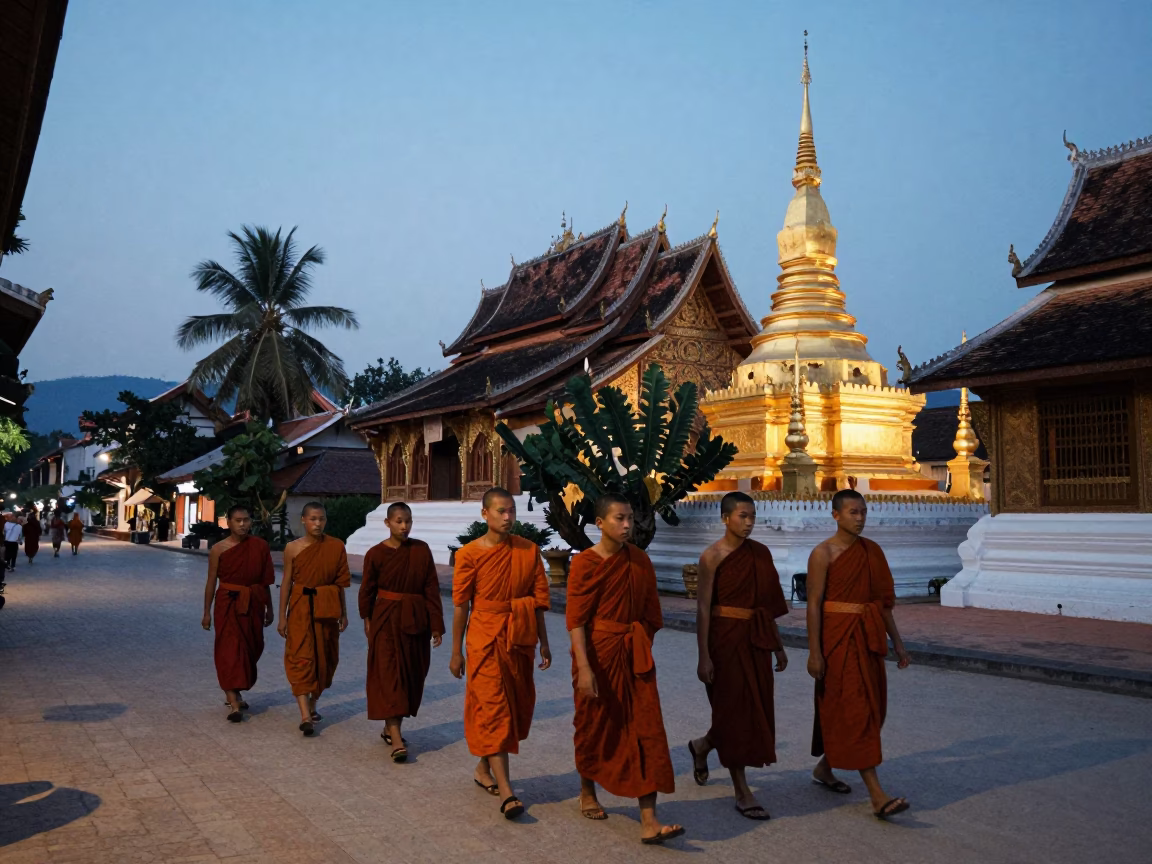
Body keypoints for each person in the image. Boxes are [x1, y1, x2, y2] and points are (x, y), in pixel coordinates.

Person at [567, 493, 683, 845]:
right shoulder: (585, 563)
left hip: (633, 656)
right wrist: (584, 668)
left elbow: (651, 614)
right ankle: (587, 789)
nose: (627, 525)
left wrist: (639, 647)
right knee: (594, 724)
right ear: (600, 523)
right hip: (597, 655)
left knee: (646, 729)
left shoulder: (639, 562)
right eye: (619, 518)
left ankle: (649, 817)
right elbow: (576, 621)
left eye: (630, 518)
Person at [807, 489, 912, 820]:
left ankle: (826, 767)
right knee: (856, 712)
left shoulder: (872, 552)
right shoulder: (823, 553)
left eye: (863, 512)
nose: (860, 518)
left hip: (867, 639)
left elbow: (882, 603)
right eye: (853, 512)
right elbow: (812, 605)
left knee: (874, 710)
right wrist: (814, 653)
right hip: (837, 641)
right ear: (836, 515)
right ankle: (877, 795)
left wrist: (897, 642)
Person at [450, 487, 551, 820]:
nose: (508, 517)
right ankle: (507, 791)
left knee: (515, 708)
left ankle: (483, 768)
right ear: (485, 515)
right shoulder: (468, 554)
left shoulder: (528, 550)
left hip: (520, 636)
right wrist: (456, 652)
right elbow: (461, 605)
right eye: (501, 511)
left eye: (511, 511)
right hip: (484, 637)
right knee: (494, 710)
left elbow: (537, 602)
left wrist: (545, 642)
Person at [688, 491, 789, 820]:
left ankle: (703, 745)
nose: (748, 523)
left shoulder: (760, 554)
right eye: (742, 516)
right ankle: (741, 789)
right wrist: (704, 655)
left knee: (751, 708)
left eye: (752, 517)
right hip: (724, 640)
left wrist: (777, 643)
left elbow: (766, 606)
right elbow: (703, 608)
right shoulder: (712, 556)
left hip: (755, 639)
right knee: (731, 710)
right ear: (725, 518)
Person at [359, 501, 444, 762]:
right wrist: (366, 617)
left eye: (408, 521)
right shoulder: (375, 553)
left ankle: (389, 726)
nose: (404, 526)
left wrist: (437, 625)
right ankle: (396, 738)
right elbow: (367, 590)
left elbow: (431, 588)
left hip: (415, 619)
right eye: (398, 521)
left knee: (409, 674)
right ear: (387, 523)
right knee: (388, 674)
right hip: (385, 618)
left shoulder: (421, 550)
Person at [278, 501, 350, 736]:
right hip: (300, 607)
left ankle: (313, 704)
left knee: (325, 659)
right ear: (303, 520)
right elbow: (286, 583)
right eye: (313, 519)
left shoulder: (336, 546)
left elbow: (340, 584)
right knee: (300, 656)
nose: (317, 524)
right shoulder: (293, 548)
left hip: (327, 607)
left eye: (321, 519)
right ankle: (305, 716)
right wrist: (282, 617)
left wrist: (344, 613)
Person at [201, 505, 275, 722]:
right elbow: (211, 582)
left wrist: (269, 609)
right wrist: (206, 612)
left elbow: (265, 581)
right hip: (228, 603)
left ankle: (236, 691)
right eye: (238, 520)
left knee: (251, 648)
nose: (242, 524)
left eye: (246, 520)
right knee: (228, 650)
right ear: (228, 522)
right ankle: (233, 702)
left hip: (253, 602)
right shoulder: (219, 549)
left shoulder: (260, 546)